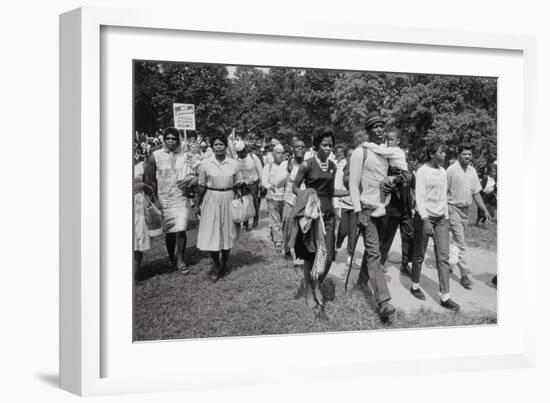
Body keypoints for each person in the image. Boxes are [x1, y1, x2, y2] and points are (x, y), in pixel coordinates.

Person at [291, 127, 348, 312]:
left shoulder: (332, 166)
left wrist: (352, 192)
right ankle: (310, 289)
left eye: (330, 145)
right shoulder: (307, 165)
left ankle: (317, 283)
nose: (328, 148)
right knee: (310, 255)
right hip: (312, 216)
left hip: (329, 214)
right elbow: (295, 187)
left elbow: (331, 192)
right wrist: (308, 196)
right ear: (316, 145)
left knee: (328, 255)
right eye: (324, 145)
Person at [349, 111, 396, 320]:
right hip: (367, 208)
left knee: (374, 250)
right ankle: (384, 301)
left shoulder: (386, 153)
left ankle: (361, 281)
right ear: (368, 132)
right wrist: (358, 211)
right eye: (375, 127)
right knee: (375, 253)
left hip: (383, 208)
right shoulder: (361, 152)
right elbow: (353, 183)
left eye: (381, 126)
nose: (379, 130)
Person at [411, 143, 460, 311]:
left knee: (443, 258)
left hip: (440, 220)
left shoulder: (444, 172)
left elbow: (443, 198)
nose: (444, 154)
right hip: (425, 218)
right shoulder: (422, 171)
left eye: (445, 151)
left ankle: (445, 296)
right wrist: (425, 220)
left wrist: (446, 219)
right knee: (419, 255)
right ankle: (415, 286)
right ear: (432, 154)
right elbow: (419, 198)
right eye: (441, 151)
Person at [145, 128, 192, 274]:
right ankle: (171, 257)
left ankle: (180, 260)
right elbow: (149, 178)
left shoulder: (185, 156)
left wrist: (191, 182)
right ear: (164, 140)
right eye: (168, 138)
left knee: (181, 230)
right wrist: (155, 198)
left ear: (178, 140)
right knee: (170, 231)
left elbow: (191, 173)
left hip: (181, 197)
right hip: (164, 199)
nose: (171, 141)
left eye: (174, 139)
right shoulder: (156, 156)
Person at [196, 132, 241, 282]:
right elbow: (201, 185)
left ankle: (224, 264)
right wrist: (198, 204)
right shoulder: (205, 164)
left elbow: (237, 183)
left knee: (228, 232)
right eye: (216, 144)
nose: (219, 147)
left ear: (225, 146)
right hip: (211, 199)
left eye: (221, 144)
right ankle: (217, 264)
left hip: (228, 198)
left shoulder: (234, 163)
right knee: (212, 232)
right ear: (212, 147)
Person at [446, 143, 492, 289]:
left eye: (469, 154)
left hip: (466, 210)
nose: (467, 156)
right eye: (464, 154)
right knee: (460, 241)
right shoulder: (451, 170)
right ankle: (464, 274)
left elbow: (476, 193)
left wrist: (484, 209)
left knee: (456, 240)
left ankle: (448, 261)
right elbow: (443, 192)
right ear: (459, 154)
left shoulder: (472, 171)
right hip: (452, 208)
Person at [377, 128, 415, 275]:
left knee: (408, 235)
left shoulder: (407, 163)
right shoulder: (387, 162)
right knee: (387, 235)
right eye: (387, 140)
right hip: (391, 205)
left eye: (406, 148)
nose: (404, 151)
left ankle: (405, 264)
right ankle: (380, 262)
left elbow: (413, 182)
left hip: (405, 205)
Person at [261, 143, 289, 253]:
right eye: (278, 152)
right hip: (272, 196)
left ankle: (278, 235)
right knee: (275, 219)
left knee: (284, 219)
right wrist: (270, 186)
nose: (280, 155)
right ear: (273, 154)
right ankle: (278, 242)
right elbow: (263, 181)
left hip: (285, 197)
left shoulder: (287, 165)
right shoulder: (269, 166)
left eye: (282, 153)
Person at [282, 139, 306, 262]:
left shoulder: (308, 165)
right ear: (293, 149)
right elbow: (278, 181)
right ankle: (286, 247)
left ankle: (297, 252)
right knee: (287, 224)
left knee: (299, 227)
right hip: (289, 199)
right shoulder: (286, 164)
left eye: (302, 147)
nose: (300, 149)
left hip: (302, 200)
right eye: (297, 147)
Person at [235, 140, 263, 230]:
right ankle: (245, 223)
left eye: (241, 152)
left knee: (254, 202)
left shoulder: (253, 157)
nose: (240, 155)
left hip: (253, 183)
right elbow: (237, 172)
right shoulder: (236, 158)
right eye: (238, 153)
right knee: (244, 203)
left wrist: (260, 184)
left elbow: (260, 171)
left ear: (245, 150)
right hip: (243, 184)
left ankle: (255, 217)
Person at [133, 156, 152, 281]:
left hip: (138, 206)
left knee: (139, 237)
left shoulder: (141, 166)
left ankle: (134, 274)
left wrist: (144, 185)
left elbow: (150, 187)